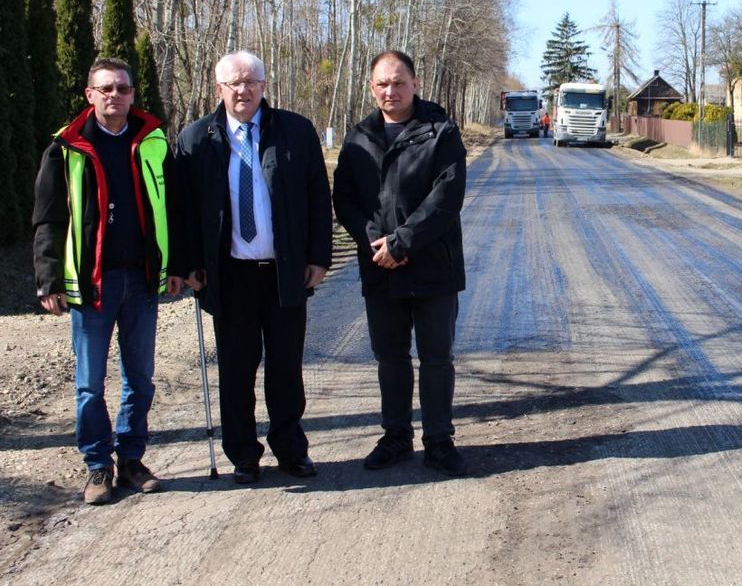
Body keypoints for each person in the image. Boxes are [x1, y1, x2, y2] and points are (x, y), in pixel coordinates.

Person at [173, 50, 331, 484]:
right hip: (228, 276)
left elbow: (318, 196)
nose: (243, 90)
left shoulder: (295, 131)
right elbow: (182, 211)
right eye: (234, 83)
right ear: (219, 89)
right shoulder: (195, 139)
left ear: (264, 85)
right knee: (236, 371)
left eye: (251, 82)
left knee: (286, 369)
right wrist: (189, 265)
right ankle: (243, 454)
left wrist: (318, 257)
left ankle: (291, 449)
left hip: (284, 271)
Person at [32, 56, 182, 505]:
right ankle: (98, 465)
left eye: (122, 88)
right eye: (106, 88)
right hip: (91, 285)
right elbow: (48, 218)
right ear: (90, 94)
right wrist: (48, 279)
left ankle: (132, 459)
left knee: (141, 379)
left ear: (133, 94)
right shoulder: (66, 147)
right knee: (89, 385)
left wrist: (178, 266)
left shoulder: (153, 142)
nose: (115, 95)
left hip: (142, 280)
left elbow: (174, 209)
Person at [333, 50, 469, 476]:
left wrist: (402, 242)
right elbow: (344, 199)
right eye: (382, 83)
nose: (390, 90)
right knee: (389, 358)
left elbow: (446, 199)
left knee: (436, 358)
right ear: (371, 88)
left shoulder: (441, 132)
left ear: (415, 83)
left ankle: (439, 441)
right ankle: (395, 437)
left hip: (433, 266)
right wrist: (374, 240)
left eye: (398, 82)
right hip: (380, 266)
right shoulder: (358, 138)